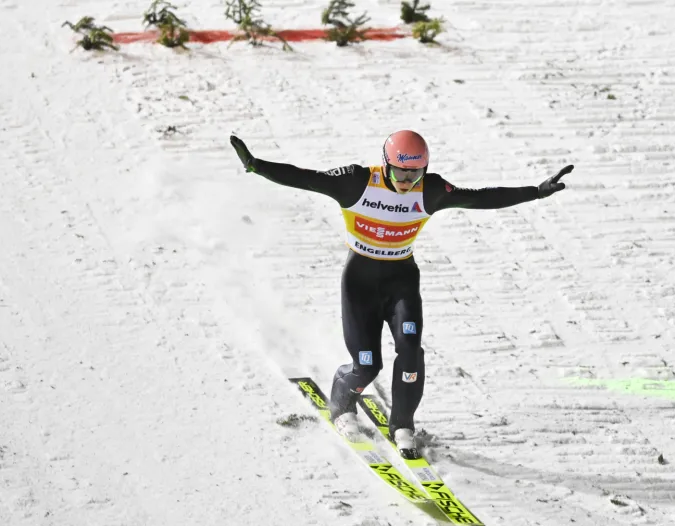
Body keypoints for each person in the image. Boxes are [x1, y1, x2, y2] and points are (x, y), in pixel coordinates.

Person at [229, 130, 572, 459]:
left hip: (401, 282)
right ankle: (342, 405)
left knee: (410, 352)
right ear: (385, 163)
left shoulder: (431, 190)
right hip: (360, 283)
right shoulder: (357, 182)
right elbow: (306, 177)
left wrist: (535, 191)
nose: (408, 183)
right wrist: (257, 165)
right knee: (367, 366)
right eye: (400, 174)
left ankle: (403, 425)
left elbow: (479, 197)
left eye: (415, 175)